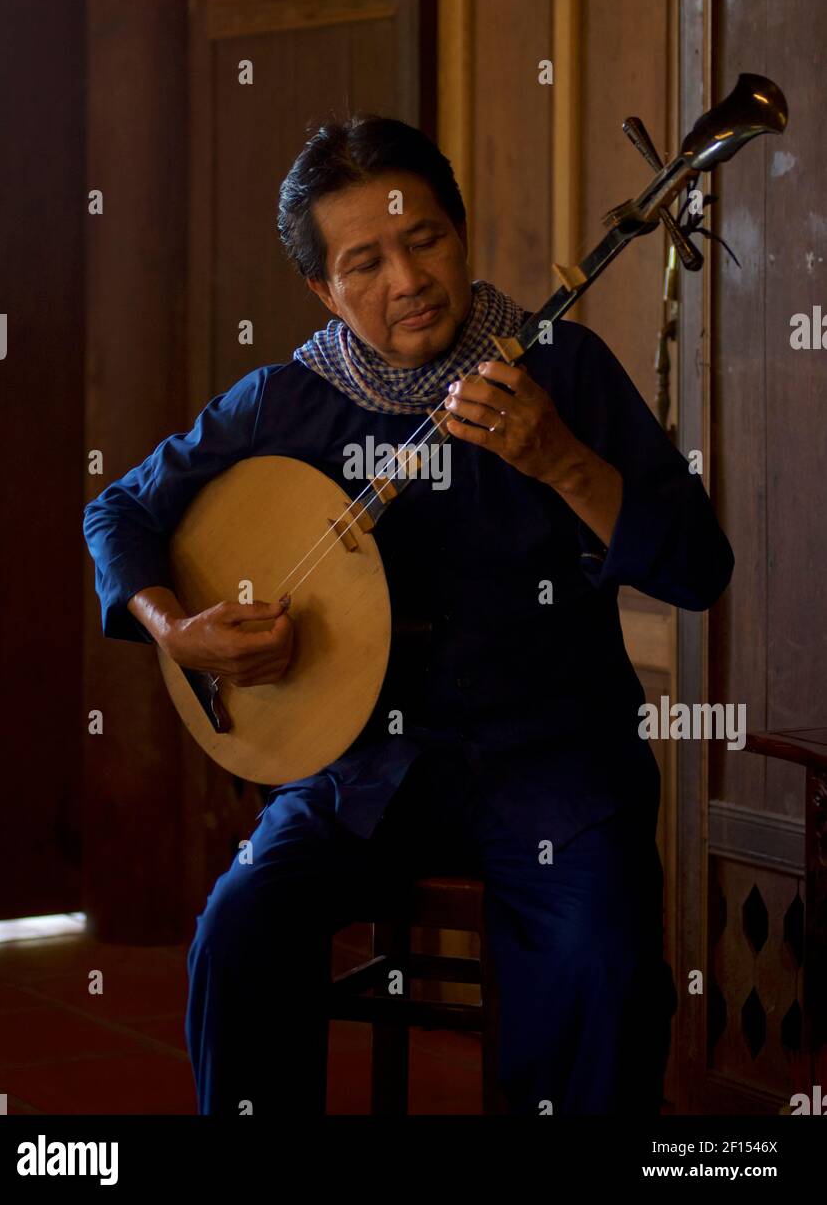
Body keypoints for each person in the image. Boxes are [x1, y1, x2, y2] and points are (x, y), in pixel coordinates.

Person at [83, 115, 733, 1116]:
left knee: (599, 964)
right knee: (238, 927)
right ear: (321, 290)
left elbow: (697, 567)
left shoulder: (560, 369)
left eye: (423, 239)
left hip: (552, 769)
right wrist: (174, 628)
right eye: (363, 263)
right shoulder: (284, 401)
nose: (407, 280)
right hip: (358, 775)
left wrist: (560, 459)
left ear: (460, 231)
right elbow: (117, 508)